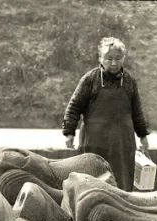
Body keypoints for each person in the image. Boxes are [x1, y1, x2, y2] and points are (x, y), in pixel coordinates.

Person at [62, 37, 150, 192]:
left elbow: (137, 112)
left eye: (118, 58)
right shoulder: (90, 79)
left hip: (122, 144)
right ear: (100, 58)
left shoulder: (129, 81)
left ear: (124, 58)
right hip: (94, 143)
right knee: (91, 182)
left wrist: (143, 136)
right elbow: (74, 107)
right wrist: (69, 133)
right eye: (109, 59)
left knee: (121, 183)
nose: (114, 63)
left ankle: (120, 214)